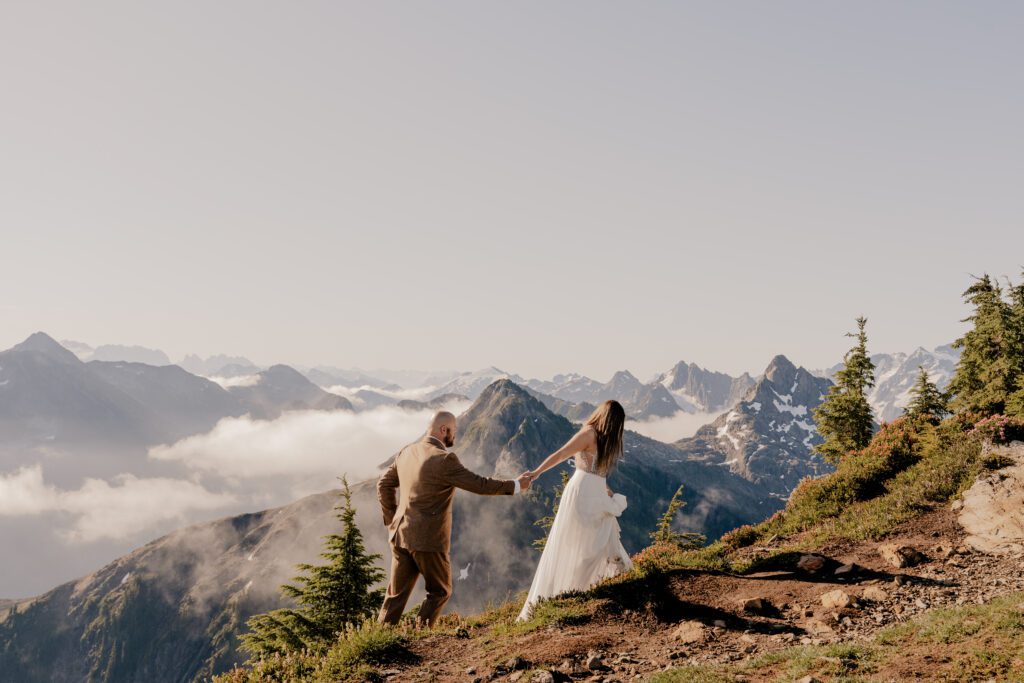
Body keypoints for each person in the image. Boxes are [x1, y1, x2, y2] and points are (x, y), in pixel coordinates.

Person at [377, 410, 533, 627]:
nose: (455, 436)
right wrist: (516, 485)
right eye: (454, 431)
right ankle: (416, 636)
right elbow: (479, 484)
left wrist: (391, 519)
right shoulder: (444, 459)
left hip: (399, 534)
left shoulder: (407, 451)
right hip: (428, 540)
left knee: (395, 595)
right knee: (440, 591)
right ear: (444, 430)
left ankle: (380, 643)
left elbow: (383, 484)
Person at [517, 400, 633, 621]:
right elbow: (599, 472)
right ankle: (589, 585)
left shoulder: (589, 433)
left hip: (582, 492)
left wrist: (537, 472)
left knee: (572, 540)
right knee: (594, 540)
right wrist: (605, 490)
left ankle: (569, 590)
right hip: (596, 492)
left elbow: (561, 454)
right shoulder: (607, 440)